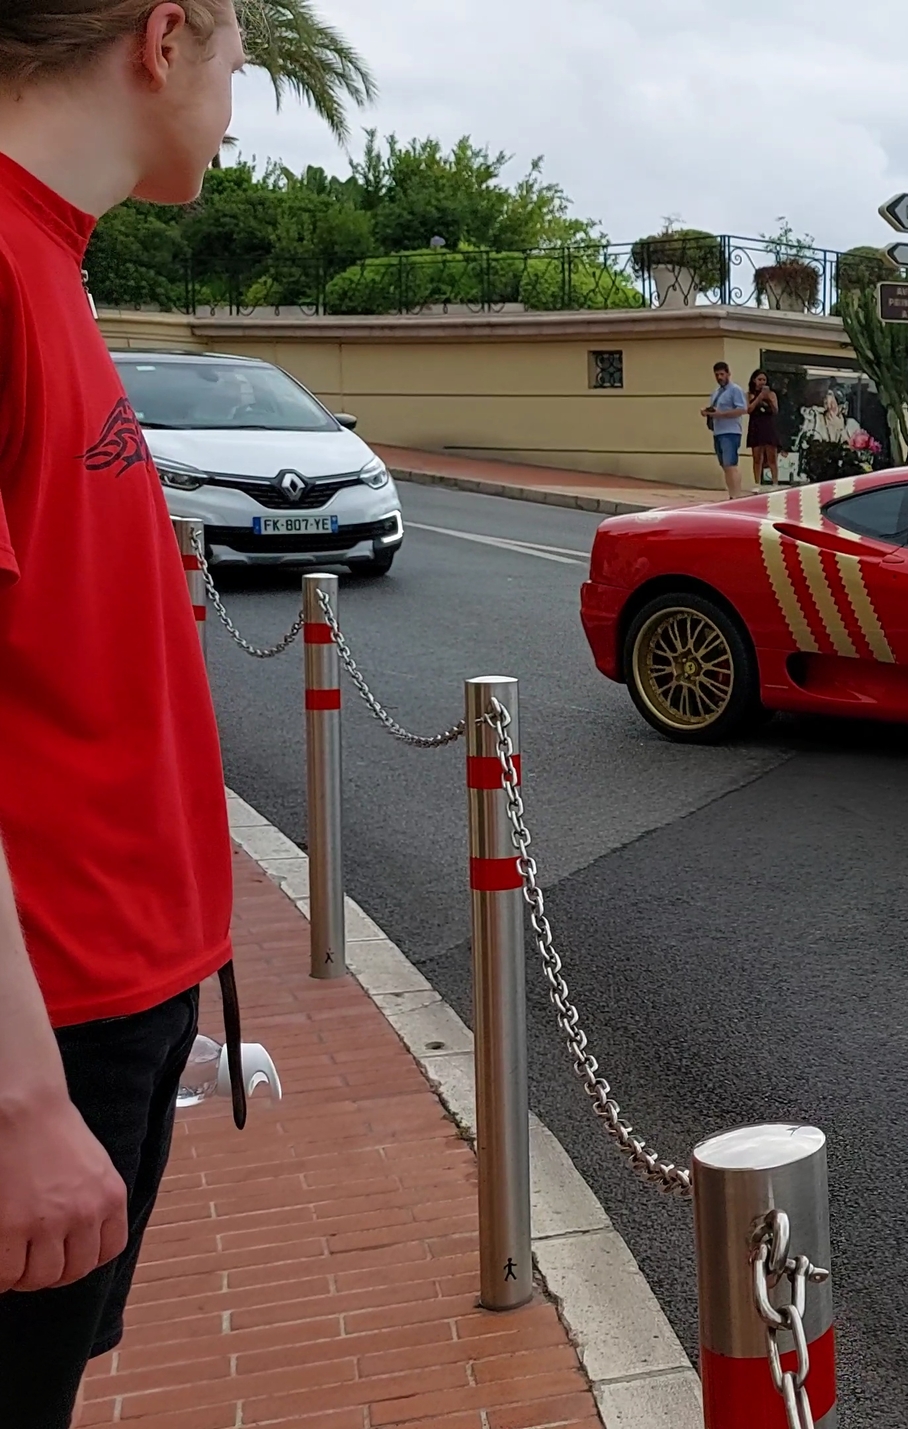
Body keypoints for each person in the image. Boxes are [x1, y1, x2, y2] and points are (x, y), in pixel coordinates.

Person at [0, 4, 244, 1423]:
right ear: (166, 37)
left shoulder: (51, 262)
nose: (233, 107)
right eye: (237, 67)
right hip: (48, 1033)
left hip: (104, 1007)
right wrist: (22, 1094)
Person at [700, 361, 749, 498]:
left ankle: (736, 496)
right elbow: (716, 410)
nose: (720, 377)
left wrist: (721, 414)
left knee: (730, 464)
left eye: (722, 374)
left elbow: (742, 409)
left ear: (728, 374)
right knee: (725, 466)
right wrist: (707, 412)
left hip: (731, 431)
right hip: (718, 431)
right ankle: (731, 494)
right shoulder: (716, 393)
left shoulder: (735, 390)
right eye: (717, 375)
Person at [743, 369, 781, 487]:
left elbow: (775, 410)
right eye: (759, 379)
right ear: (754, 380)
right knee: (757, 457)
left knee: (771, 457)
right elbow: (749, 409)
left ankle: (775, 482)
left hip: (768, 426)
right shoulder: (750, 394)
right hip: (756, 426)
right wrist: (759, 397)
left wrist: (768, 398)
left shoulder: (772, 394)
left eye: (764, 380)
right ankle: (757, 483)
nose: (762, 382)